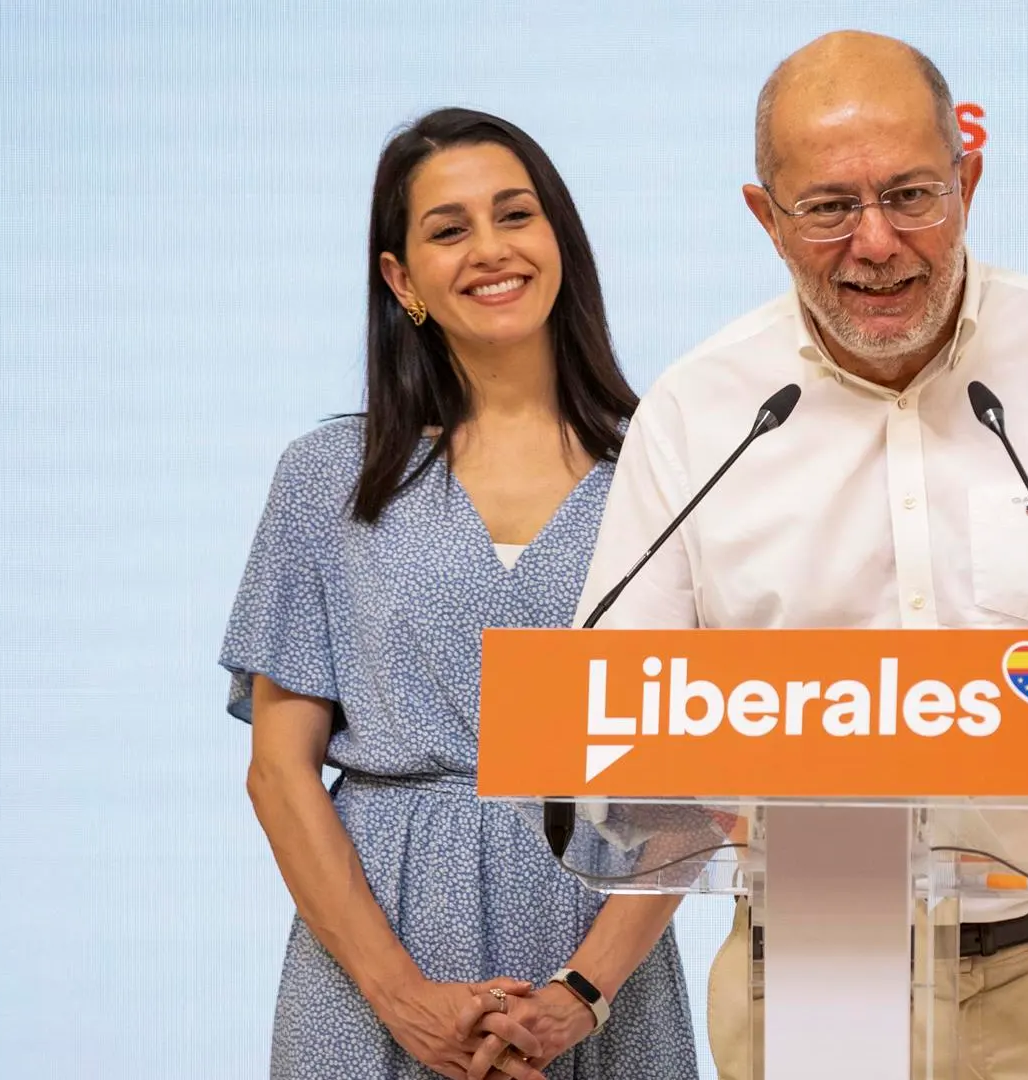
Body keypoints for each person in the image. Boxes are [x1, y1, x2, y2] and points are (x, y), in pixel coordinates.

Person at [574, 32, 1028, 1080]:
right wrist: (706, 766)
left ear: (969, 178)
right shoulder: (701, 414)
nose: (876, 242)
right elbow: (619, 704)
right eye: (828, 208)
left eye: (912, 194)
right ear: (765, 219)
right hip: (823, 949)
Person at [221, 108, 699, 1080]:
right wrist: (403, 999)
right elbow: (279, 771)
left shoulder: (670, 471)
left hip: (600, 963)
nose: (491, 249)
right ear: (402, 281)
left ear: (558, 239)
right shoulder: (326, 478)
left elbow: (691, 784)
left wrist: (583, 994)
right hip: (372, 959)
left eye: (515, 215)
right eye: (448, 229)